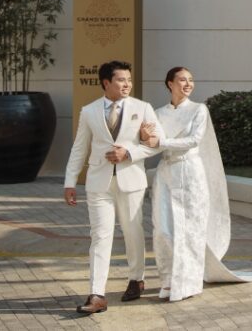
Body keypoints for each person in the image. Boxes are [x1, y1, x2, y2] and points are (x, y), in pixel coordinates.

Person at [140, 66, 252, 302]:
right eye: (182, 80)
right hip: (166, 173)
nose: (188, 84)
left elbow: (194, 140)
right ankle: (168, 280)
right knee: (162, 229)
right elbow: (151, 145)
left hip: (191, 172)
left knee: (191, 229)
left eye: (191, 80)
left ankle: (188, 283)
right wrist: (144, 138)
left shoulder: (199, 110)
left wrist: (160, 141)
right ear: (170, 84)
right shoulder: (158, 113)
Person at [64, 60, 163, 314]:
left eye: (129, 80)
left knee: (132, 231)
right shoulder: (89, 111)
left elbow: (158, 143)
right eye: (121, 80)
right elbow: (79, 147)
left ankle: (136, 279)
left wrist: (128, 152)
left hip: (132, 181)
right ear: (106, 82)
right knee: (100, 236)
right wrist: (70, 181)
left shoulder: (143, 108)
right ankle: (97, 294)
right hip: (99, 183)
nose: (127, 84)